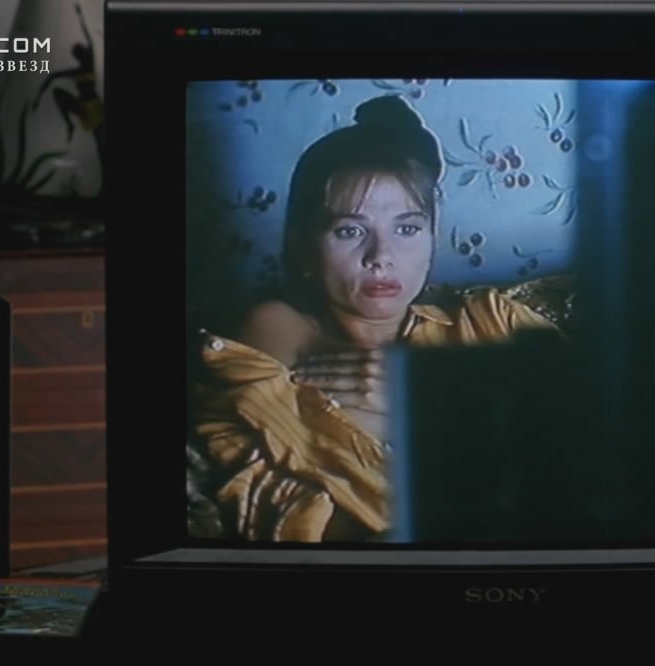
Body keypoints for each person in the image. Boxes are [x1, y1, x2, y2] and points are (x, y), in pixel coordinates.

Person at [190, 95, 559, 543]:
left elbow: (597, 442)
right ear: (303, 248)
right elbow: (275, 501)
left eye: (407, 229)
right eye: (350, 231)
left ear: (432, 237)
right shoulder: (280, 330)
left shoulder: (492, 319)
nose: (381, 257)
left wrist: (422, 405)